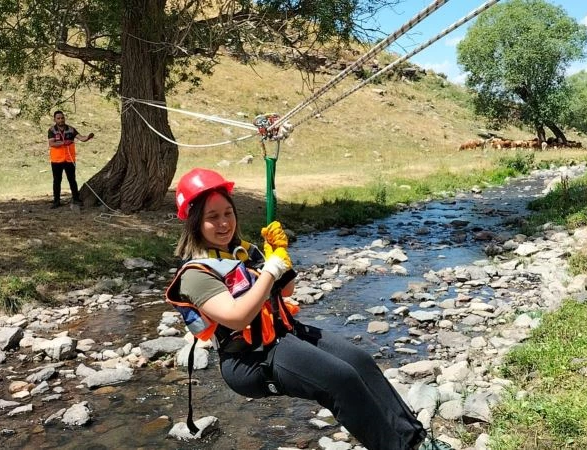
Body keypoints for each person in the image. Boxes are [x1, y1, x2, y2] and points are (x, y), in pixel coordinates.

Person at [166, 168, 447, 450]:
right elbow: (238, 317)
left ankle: (416, 441)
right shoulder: (196, 273)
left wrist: (277, 256)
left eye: (228, 212)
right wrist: (270, 271)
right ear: (194, 223)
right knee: (341, 379)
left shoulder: (242, 250)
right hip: (250, 358)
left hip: (283, 333)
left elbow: (286, 291)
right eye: (212, 217)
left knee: (360, 361)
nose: (224, 223)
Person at [47, 110, 94, 208]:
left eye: (62, 118)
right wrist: (63, 143)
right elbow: (51, 143)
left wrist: (88, 137)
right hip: (57, 160)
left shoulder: (71, 129)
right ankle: (56, 201)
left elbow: (81, 138)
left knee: (72, 179)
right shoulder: (52, 130)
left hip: (69, 159)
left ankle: (76, 199)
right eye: (58, 118)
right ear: (55, 119)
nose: (61, 120)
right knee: (57, 180)